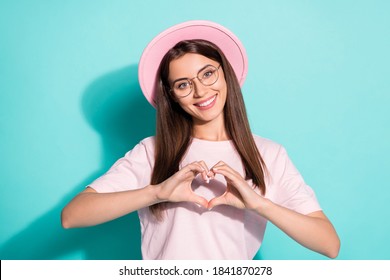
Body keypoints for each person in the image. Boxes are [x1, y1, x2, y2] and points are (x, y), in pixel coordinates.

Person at [61, 20, 340, 259]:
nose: (200, 91)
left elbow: (329, 244)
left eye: (207, 73)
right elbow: (72, 216)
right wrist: (157, 192)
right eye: (183, 84)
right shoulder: (152, 151)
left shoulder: (269, 153)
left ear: (225, 73)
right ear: (171, 95)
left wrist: (258, 203)